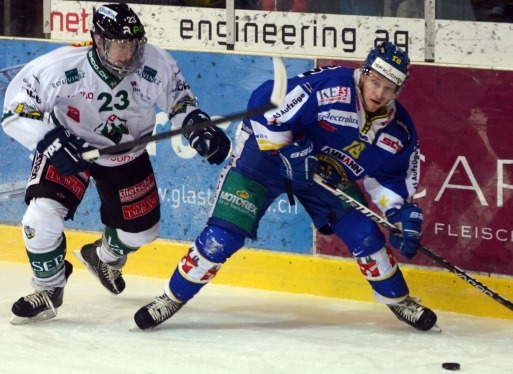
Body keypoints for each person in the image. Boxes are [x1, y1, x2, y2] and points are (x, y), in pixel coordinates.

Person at [134, 41, 439, 332]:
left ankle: (399, 300)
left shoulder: (399, 131)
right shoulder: (330, 89)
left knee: (366, 235)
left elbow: (389, 179)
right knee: (222, 238)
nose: (379, 93)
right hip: (262, 162)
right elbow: (263, 103)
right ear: (366, 72)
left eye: (389, 88)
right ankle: (170, 298)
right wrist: (286, 147)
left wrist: (398, 212)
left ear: (398, 90)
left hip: (320, 174)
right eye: (375, 83)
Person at [1, 3, 230, 325]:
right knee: (39, 219)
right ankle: (48, 289)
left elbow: (180, 103)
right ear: (97, 40)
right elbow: (15, 112)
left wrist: (196, 125)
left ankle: (103, 256)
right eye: (119, 45)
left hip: (126, 156)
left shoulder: (156, 62)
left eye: (133, 44)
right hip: (70, 149)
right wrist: (49, 140)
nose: (128, 53)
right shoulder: (61, 67)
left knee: (142, 234)